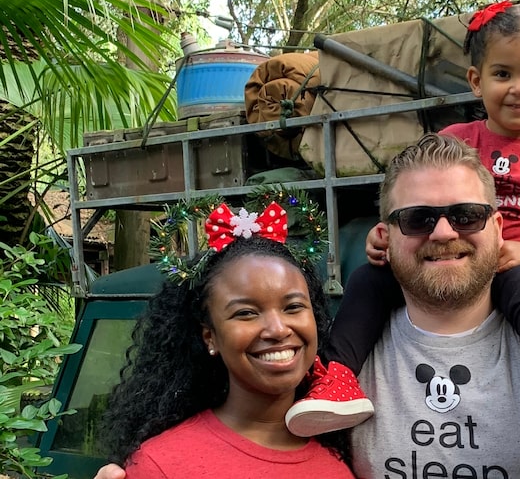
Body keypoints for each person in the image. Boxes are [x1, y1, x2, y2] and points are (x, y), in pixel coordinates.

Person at [94, 133, 520, 478]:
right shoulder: (338, 365)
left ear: (494, 227)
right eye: (416, 218)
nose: (442, 232)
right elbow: (244, 443)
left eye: (465, 214)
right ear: (386, 234)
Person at [287, 0, 520, 458]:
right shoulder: (455, 139)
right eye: (503, 74)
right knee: (369, 280)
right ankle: (336, 378)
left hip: (516, 272)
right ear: (476, 81)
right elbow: (415, 201)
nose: (519, 89)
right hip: (441, 265)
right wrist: (387, 236)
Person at [98, 200, 355, 478]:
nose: (278, 329)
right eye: (246, 313)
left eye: (293, 307)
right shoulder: (161, 465)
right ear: (210, 337)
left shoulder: (344, 458)